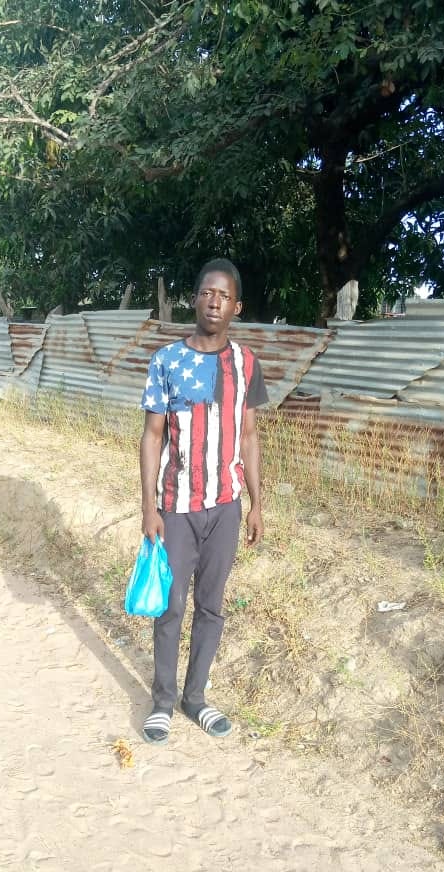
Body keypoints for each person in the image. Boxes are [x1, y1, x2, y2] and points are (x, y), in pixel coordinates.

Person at [139, 258, 268, 744]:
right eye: (206, 293)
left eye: (224, 296)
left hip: (226, 507)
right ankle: (163, 702)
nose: (214, 302)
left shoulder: (246, 363)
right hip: (177, 507)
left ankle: (196, 698)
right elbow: (152, 437)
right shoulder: (167, 361)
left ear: (237, 306)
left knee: (210, 606)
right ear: (194, 299)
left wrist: (256, 503)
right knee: (170, 606)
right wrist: (149, 506)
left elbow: (250, 436)